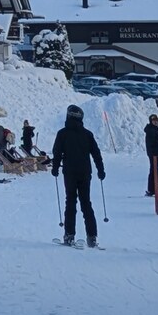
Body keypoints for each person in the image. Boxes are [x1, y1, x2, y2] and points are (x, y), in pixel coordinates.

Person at [49, 104, 106, 247]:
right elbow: (96, 153)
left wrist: (55, 168)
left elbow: (57, 152)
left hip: (70, 173)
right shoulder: (87, 134)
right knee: (86, 203)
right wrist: (100, 170)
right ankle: (92, 237)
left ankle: (69, 235)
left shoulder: (62, 134)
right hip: (85, 173)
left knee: (70, 202)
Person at [142, 111, 158, 199]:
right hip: (154, 155)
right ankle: (152, 189)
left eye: (157, 120)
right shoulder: (151, 131)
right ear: (151, 121)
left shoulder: (153, 130)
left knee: (154, 171)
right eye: (154, 121)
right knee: (154, 171)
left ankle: (154, 189)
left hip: (155, 154)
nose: (156, 122)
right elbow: (154, 144)